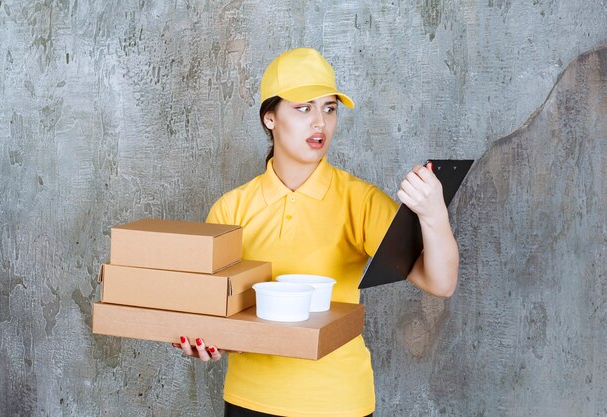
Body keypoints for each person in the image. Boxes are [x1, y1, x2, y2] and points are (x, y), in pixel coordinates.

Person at [174, 47, 459, 417]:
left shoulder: (359, 201)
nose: (320, 123)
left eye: (329, 108)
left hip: (337, 402)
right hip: (249, 401)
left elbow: (440, 282)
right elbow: (217, 312)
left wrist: (434, 214)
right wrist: (207, 341)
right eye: (303, 108)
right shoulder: (231, 208)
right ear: (270, 118)